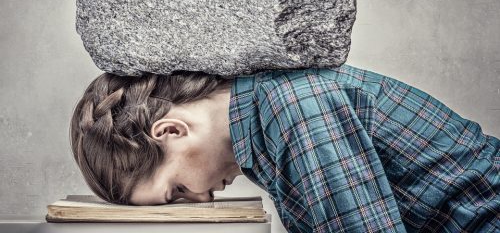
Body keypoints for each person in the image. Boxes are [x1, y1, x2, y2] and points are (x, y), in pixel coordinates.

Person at [70, 63, 500, 232]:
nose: (203, 200)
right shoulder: (262, 126)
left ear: (170, 132)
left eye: (178, 190)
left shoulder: (292, 108)